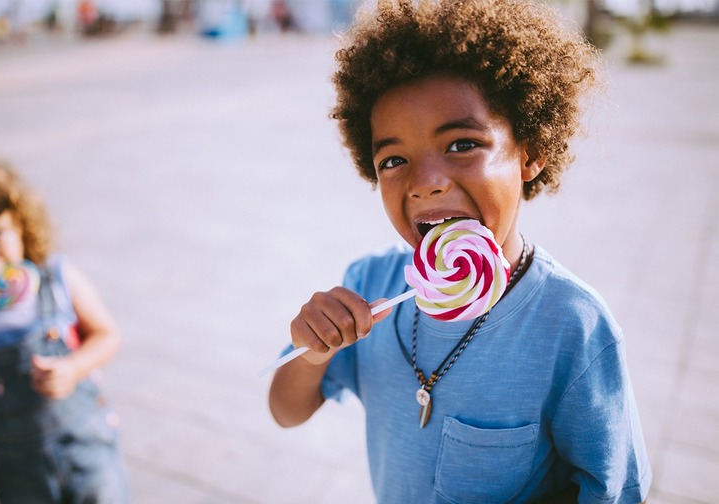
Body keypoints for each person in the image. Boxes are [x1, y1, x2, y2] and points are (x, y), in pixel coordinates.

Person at [268, 1, 651, 503]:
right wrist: (313, 353)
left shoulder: (572, 326)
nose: (425, 184)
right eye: (395, 159)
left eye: (462, 144)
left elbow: (614, 489)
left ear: (531, 152)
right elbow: (285, 409)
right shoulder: (369, 287)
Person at [0, 145, 129, 503]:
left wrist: (72, 368)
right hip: (12, 459)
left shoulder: (57, 277)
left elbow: (108, 335)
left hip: (83, 442)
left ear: (21, 222)